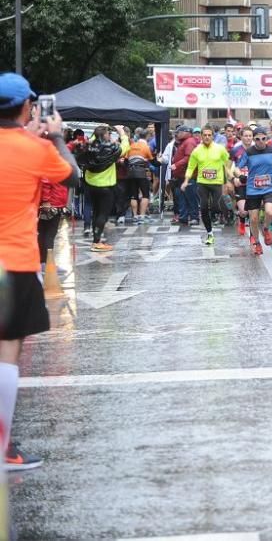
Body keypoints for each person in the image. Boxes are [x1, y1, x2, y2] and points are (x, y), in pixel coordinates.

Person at [0, 72, 79, 470]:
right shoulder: (35, 148)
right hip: (12, 263)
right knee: (7, 351)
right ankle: (2, 449)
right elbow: (72, 176)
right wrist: (57, 135)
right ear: (27, 107)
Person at [181, 125, 230, 246]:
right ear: (201, 136)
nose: (207, 137)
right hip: (202, 182)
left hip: (217, 182)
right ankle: (210, 233)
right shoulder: (197, 150)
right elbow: (191, 167)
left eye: (209, 135)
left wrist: (230, 178)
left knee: (214, 207)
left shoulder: (220, 149)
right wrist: (186, 181)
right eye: (205, 135)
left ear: (213, 136)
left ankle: (222, 213)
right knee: (203, 207)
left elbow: (227, 163)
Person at [84, 124, 129, 251]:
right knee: (103, 214)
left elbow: (93, 138)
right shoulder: (112, 149)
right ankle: (97, 242)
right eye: (108, 134)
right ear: (105, 136)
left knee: (96, 213)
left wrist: (99, 130)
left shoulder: (90, 146)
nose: (110, 136)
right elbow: (125, 147)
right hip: (105, 186)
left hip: (91, 184)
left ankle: (95, 240)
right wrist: (122, 133)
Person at [238, 127, 272, 254]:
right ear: (254, 139)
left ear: (267, 139)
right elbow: (238, 166)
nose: (260, 141)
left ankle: (266, 228)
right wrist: (239, 175)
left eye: (263, 139)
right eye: (257, 139)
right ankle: (257, 242)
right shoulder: (248, 152)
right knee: (253, 219)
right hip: (253, 189)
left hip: (269, 187)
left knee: (269, 211)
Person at [170, 126, 199, 226]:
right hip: (180, 176)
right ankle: (183, 217)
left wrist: (176, 165)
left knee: (190, 197)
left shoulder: (189, 142)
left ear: (186, 132)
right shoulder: (184, 142)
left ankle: (194, 217)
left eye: (179, 132)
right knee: (181, 197)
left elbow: (189, 157)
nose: (177, 134)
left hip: (188, 175)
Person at [125, 128, 154, 224]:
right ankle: (141, 215)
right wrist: (160, 161)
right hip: (141, 172)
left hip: (130, 173)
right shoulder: (146, 147)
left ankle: (135, 216)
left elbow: (125, 160)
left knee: (134, 195)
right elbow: (152, 160)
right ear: (147, 136)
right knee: (145, 194)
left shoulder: (131, 146)